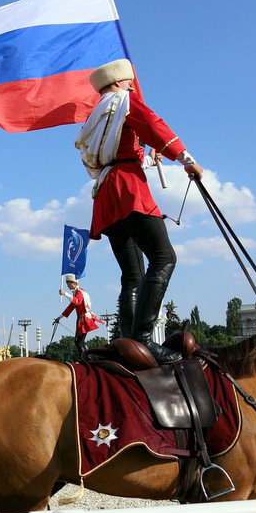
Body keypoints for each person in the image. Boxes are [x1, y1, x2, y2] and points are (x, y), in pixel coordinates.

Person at [75, 58, 203, 363]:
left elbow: (111, 156)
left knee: (132, 275)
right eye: (130, 83)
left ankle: (128, 343)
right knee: (164, 257)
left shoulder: (96, 115)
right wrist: (186, 159)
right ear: (119, 83)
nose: (133, 87)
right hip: (127, 188)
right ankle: (143, 339)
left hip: (106, 192)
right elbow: (155, 125)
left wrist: (145, 158)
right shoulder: (125, 102)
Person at [53, 274, 104, 357]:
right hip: (82, 318)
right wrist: (60, 317)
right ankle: (87, 358)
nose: (67, 286)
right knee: (80, 341)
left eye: (68, 284)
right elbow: (71, 307)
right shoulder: (77, 292)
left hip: (84, 319)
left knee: (79, 341)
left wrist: (65, 293)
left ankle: (87, 359)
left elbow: (76, 301)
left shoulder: (79, 292)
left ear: (74, 283)